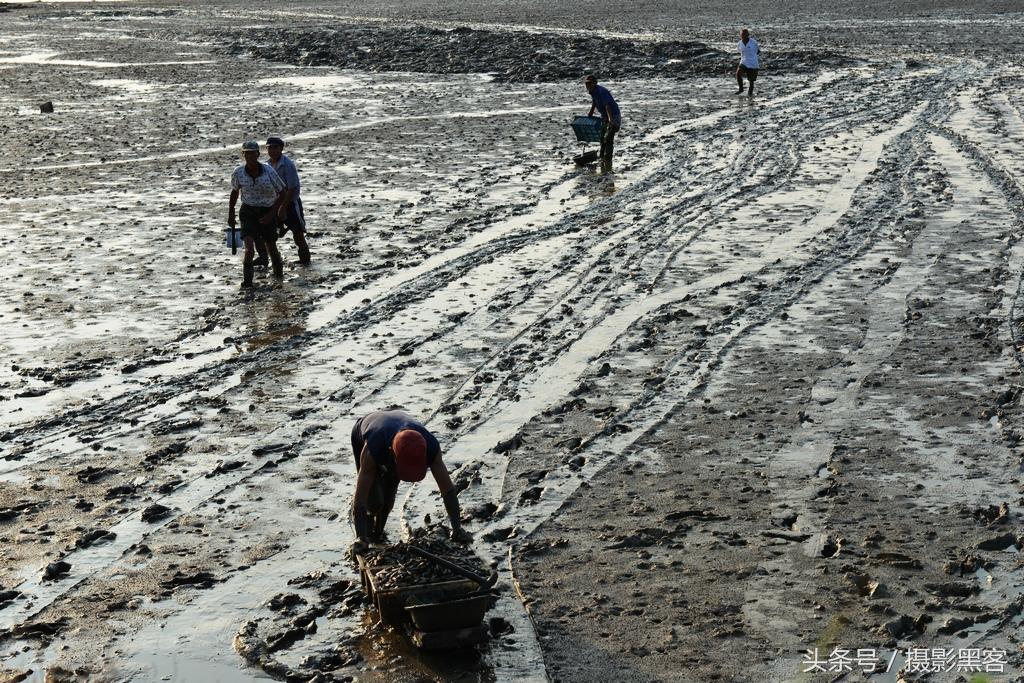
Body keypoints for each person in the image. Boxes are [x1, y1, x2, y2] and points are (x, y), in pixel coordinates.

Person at [350, 410, 469, 548]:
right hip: (366, 433)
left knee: (389, 496)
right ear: (393, 455)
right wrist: (360, 537)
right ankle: (367, 524)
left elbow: (447, 490)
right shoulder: (373, 448)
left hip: (394, 437)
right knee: (374, 500)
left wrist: (457, 528)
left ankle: (378, 534)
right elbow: (361, 496)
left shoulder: (431, 447)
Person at [228, 140, 286, 287]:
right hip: (248, 211)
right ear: (243, 155)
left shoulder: (268, 171)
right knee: (249, 250)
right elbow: (234, 192)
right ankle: (247, 283)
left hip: (267, 210)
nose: (249, 157)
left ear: (258, 154)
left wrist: (272, 214)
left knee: (271, 247)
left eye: (252, 153)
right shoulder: (239, 172)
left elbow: (282, 193)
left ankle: (279, 277)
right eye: (246, 154)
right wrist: (231, 213)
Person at [265, 136, 311, 265]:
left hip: (290, 203)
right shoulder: (267, 165)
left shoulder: (287, 164)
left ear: (281, 149)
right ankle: (273, 260)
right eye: (269, 148)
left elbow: (291, 188)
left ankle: (305, 260)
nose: (272, 151)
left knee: (297, 233)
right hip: (274, 203)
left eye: (275, 148)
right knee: (269, 234)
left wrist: (283, 208)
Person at [584, 75, 621, 172]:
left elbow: (607, 106)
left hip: (613, 116)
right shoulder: (593, 92)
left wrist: (610, 120)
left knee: (608, 139)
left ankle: (607, 162)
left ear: (595, 83)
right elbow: (594, 102)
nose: (588, 86)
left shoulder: (601, 91)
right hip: (605, 117)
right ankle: (601, 159)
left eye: (590, 84)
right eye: (587, 84)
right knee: (602, 139)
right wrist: (591, 112)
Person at [736, 28, 761, 96]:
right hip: (744, 62)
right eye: (742, 34)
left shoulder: (753, 42)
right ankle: (741, 89)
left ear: (748, 35)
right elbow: (740, 51)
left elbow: (758, 51)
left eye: (745, 34)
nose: (743, 36)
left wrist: (752, 56)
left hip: (753, 63)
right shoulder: (739, 43)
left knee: (751, 81)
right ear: (740, 35)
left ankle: (750, 94)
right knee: (738, 73)